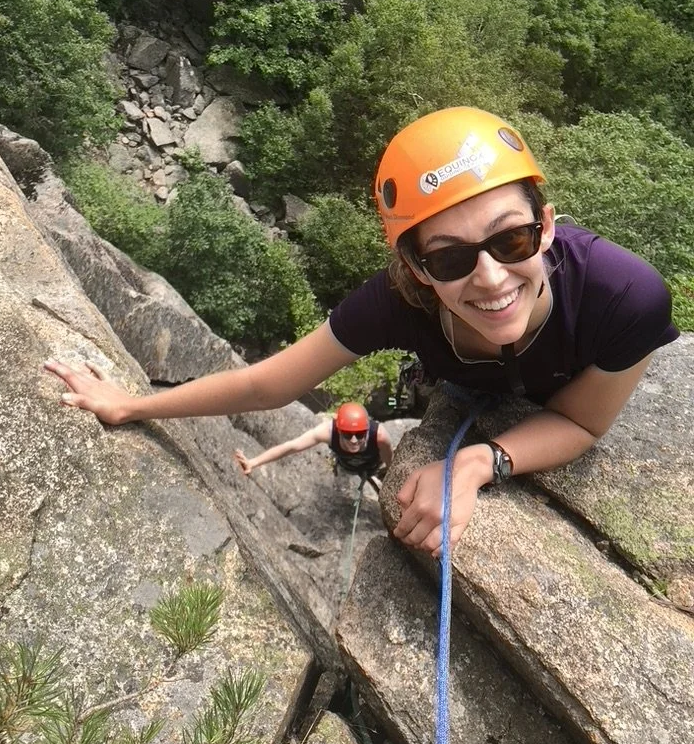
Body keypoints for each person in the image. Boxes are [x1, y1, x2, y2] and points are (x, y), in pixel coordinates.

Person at [44, 106, 679, 559]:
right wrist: (128, 404)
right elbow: (269, 384)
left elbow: (583, 425)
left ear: (546, 226)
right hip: (460, 393)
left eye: (511, 239)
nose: (489, 277)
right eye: (451, 258)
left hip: (537, 399)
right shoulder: (396, 303)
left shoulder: (625, 297)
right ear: (416, 268)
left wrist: (479, 463)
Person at [233, 402, 393, 485]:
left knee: (368, 472)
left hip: (372, 465)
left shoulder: (379, 436)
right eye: (346, 434)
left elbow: (390, 463)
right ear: (339, 430)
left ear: (366, 430)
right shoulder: (327, 432)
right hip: (346, 465)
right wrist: (253, 462)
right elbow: (291, 446)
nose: (353, 440)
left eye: (359, 435)